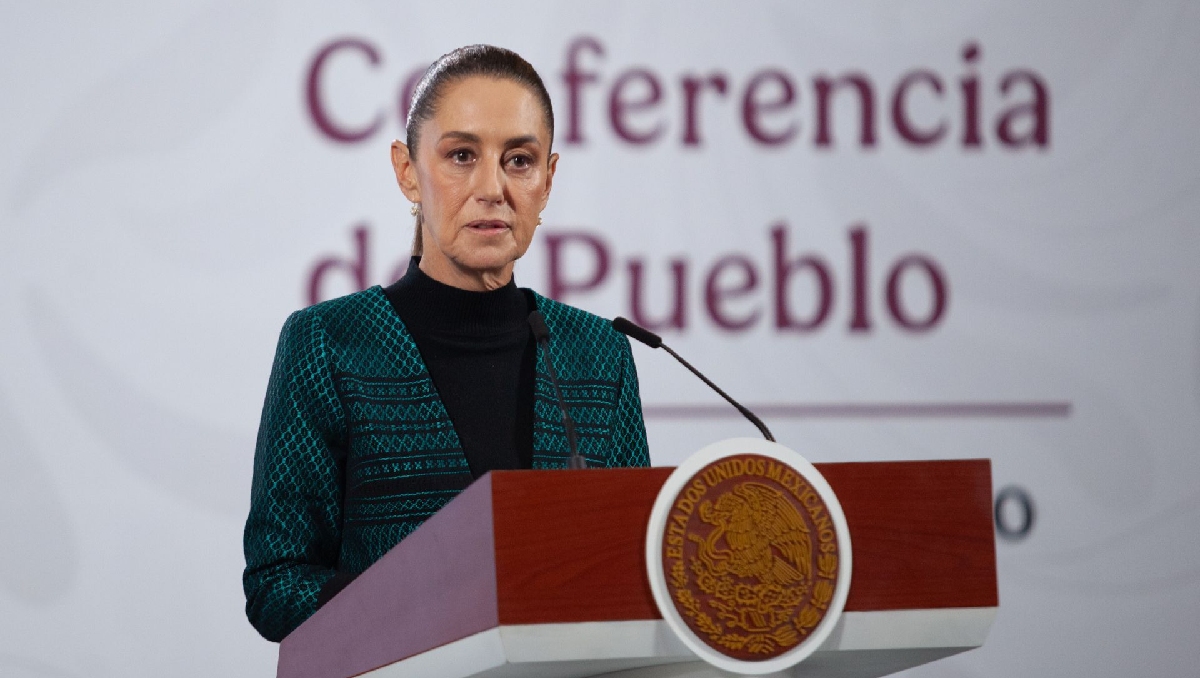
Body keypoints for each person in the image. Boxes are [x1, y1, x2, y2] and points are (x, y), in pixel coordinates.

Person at [242, 45, 651, 642]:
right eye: (461, 156)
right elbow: (277, 584)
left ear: (548, 179)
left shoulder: (597, 354)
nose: (492, 187)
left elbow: (631, 570)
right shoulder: (329, 343)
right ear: (408, 171)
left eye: (518, 160)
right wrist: (424, 616)